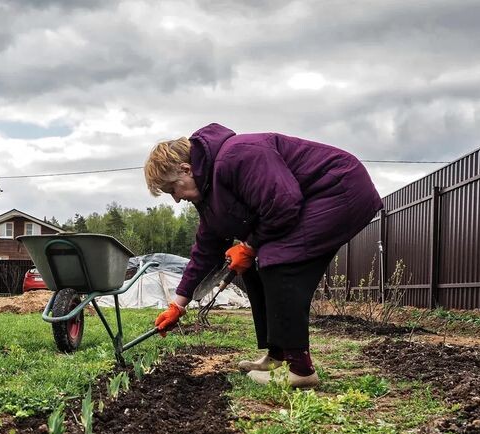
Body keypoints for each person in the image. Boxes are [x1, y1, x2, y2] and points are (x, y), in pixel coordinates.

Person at [145, 123, 382, 388]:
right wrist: (178, 303)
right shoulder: (210, 195)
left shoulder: (237, 155)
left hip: (339, 188)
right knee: (255, 264)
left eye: (172, 190)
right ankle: (277, 354)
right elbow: (205, 250)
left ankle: (301, 370)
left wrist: (249, 245)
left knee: (278, 260)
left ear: (186, 170)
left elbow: (283, 203)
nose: (176, 199)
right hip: (315, 198)